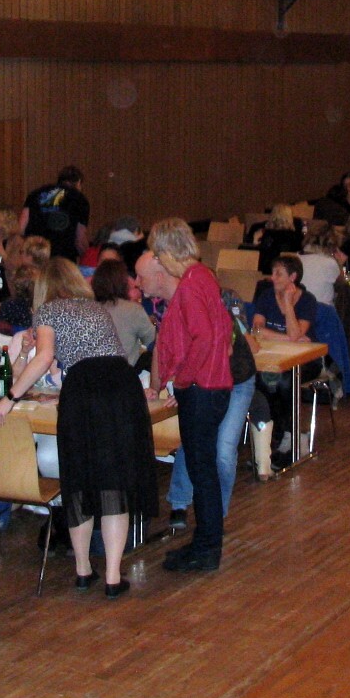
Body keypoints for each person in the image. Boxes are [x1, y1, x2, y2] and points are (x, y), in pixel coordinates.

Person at [0, 259, 156, 598]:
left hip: (83, 389)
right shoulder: (95, 308)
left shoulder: (49, 311)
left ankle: (83, 570)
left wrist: (9, 398)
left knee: (78, 478)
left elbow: (44, 358)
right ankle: (113, 576)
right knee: (114, 480)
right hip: (120, 385)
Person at [146, 223, 233, 574]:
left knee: (202, 471)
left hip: (202, 389)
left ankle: (208, 548)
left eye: (157, 253)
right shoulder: (203, 276)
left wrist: (182, 377)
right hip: (211, 386)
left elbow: (205, 337)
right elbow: (222, 329)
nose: (157, 260)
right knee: (203, 470)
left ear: (169, 252)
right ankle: (204, 542)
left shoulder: (193, 283)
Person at [250, 254, 319, 468]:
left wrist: (288, 303)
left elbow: (298, 333)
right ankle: (274, 436)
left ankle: (292, 434)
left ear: (293, 277)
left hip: (306, 360)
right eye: (273, 273)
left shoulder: (307, 300)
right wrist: (288, 338)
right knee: (263, 380)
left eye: (278, 274)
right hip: (275, 357)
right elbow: (257, 329)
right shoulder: (266, 296)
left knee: (285, 381)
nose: (273, 278)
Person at [91, 259, 155, 372]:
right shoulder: (133, 310)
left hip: (93, 373)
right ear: (122, 282)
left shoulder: (88, 309)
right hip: (125, 373)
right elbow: (152, 340)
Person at [21, 166, 90, 262]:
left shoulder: (35, 194)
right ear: (78, 182)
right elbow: (80, 240)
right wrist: (86, 258)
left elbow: (21, 227)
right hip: (63, 258)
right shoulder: (79, 199)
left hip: (35, 255)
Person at [299, 221, 344, 307]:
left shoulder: (297, 258)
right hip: (322, 309)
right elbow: (342, 287)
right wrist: (340, 264)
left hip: (299, 307)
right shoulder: (329, 262)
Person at [256, 205, 304, 274]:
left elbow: (263, 255)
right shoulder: (296, 236)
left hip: (267, 270)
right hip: (288, 271)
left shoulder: (267, 235)